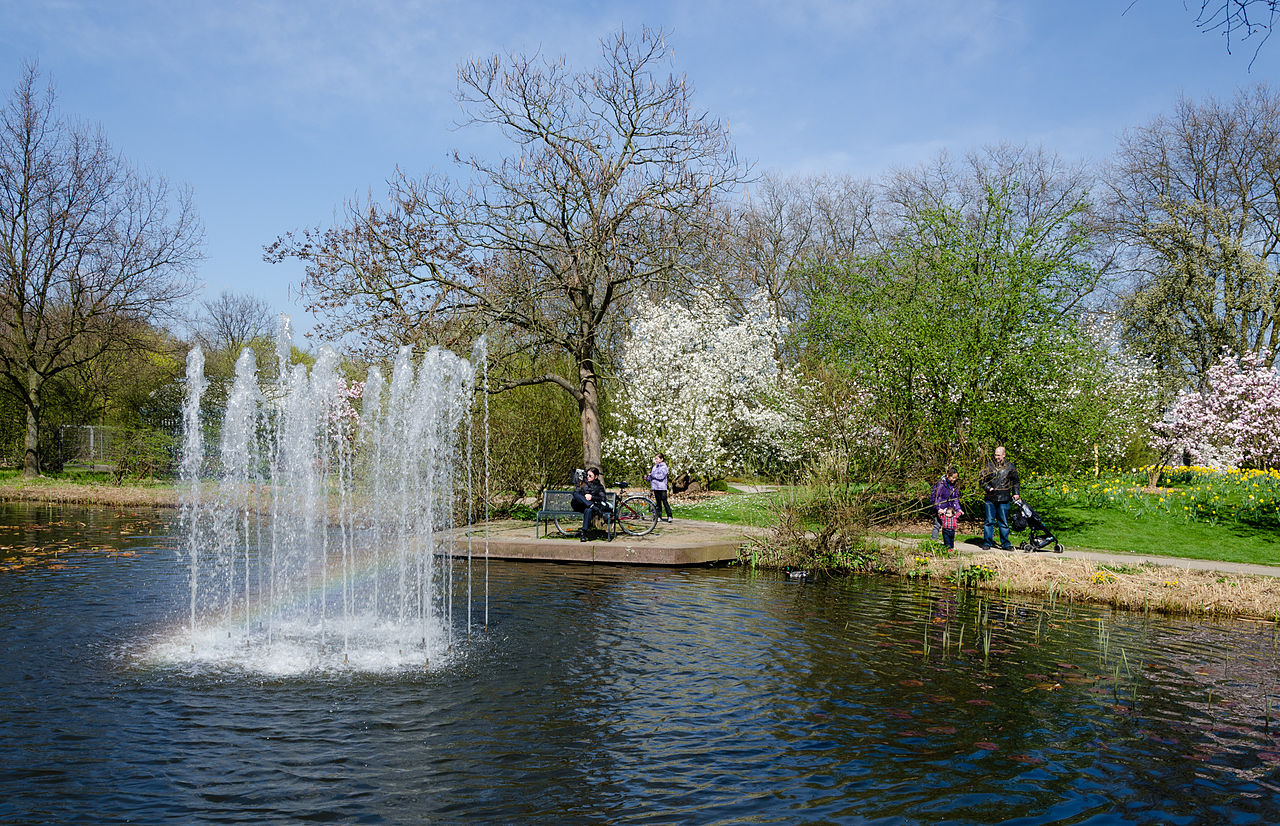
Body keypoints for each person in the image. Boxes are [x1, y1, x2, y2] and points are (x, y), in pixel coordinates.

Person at [979, 446, 1020, 550]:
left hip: (1004, 498)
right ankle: (987, 543)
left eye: (998, 455)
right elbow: (981, 480)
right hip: (990, 497)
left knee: (1004, 522)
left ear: (1004, 455)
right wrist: (988, 488)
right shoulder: (988, 466)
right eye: (995, 454)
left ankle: (1005, 544)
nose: (996, 457)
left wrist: (1016, 493)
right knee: (989, 521)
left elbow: (1015, 481)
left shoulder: (1010, 467)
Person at [571, 466, 610, 541]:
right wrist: (584, 497)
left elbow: (603, 498)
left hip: (587, 507)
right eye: (587, 475)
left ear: (596, 477)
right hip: (578, 505)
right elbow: (576, 493)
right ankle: (591, 505)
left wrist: (592, 497)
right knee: (576, 495)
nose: (588, 477)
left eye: (590, 476)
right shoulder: (582, 482)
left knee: (588, 510)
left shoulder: (599, 486)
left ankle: (583, 533)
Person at [931, 466, 961, 547]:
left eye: (955, 478)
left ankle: (948, 545)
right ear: (948, 475)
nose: (954, 480)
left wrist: (958, 509)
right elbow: (935, 497)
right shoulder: (940, 484)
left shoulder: (955, 485)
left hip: (950, 510)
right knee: (937, 525)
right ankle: (933, 543)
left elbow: (956, 498)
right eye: (953, 477)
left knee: (949, 528)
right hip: (941, 508)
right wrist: (937, 508)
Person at [646, 453, 673, 523]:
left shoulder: (664, 467)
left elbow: (661, 476)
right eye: (655, 459)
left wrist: (652, 475)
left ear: (661, 459)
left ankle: (669, 516)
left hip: (662, 487)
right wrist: (647, 478)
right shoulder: (654, 467)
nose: (656, 460)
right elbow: (652, 477)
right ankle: (659, 516)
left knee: (664, 501)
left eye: (657, 458)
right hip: (655, 487)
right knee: (658, 503)